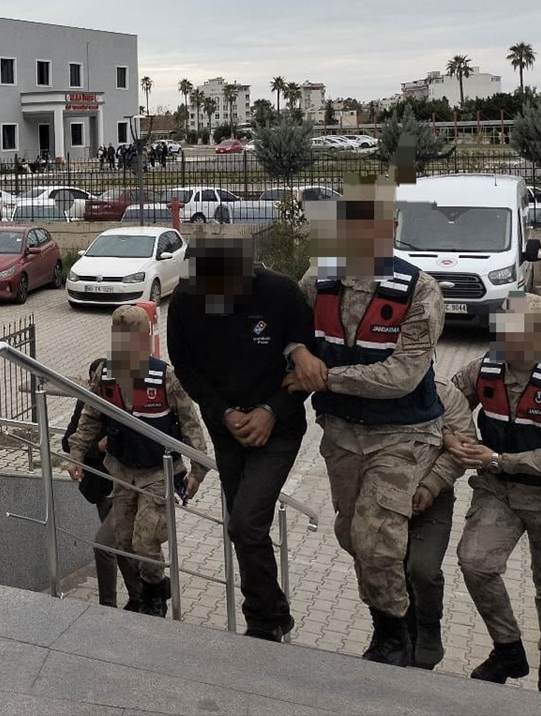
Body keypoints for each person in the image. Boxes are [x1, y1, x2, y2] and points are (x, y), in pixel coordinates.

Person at [285, 174, 446, 667]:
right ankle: (403, 610)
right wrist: (295, 351)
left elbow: (401, 375)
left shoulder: (421, 291)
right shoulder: (319, 280)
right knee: (352, 534)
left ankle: (394, 638)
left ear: (391, 226)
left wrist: (325, 378)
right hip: (341, 435)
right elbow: (288, 328)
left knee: (375, 540)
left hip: (401, 434)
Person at [166, 238, 313, 642]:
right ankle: (268, 618)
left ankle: (267, 618)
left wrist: (271, 410)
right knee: (241, 525)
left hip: (278, 429)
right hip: (226, 428)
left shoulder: (280, 292)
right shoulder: (185, 301)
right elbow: (186, 367)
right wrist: (224, 414)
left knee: (247, 521)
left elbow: (310, 363)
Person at [450, 291, 541, 696]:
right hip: (500, 492)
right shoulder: (484, 370)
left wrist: (496, 459)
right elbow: (446, 397)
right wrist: (452, 435)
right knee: (474, 562)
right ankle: (508, 649)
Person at [66, 305, 210, 618]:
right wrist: (77, 453)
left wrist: (198, 471)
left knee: (146, 542)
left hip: (157, 472)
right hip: (122, 471)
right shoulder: (106, 373)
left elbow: (189, 423)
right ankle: (156, 584)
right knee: (123, 543)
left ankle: (153, 599)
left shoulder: (164, 377)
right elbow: (89, 416)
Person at [60, 357, 144, 611]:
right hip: (101, 487)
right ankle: (140, 596)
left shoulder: (127, 403)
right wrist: (97, 447)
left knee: (109, 545)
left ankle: (118, 602)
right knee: (119, 547)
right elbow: (68, 442)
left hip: (128, 488)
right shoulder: (85, 402)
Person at [404, 380, 475, 670]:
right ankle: (400, 636)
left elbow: (464, 447)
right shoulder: (378, 391)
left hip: (434, 498)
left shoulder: (447, 396)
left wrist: (432, 484)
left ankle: (429, 625)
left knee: (423, 569)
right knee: (387, 569)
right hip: (383, 496)